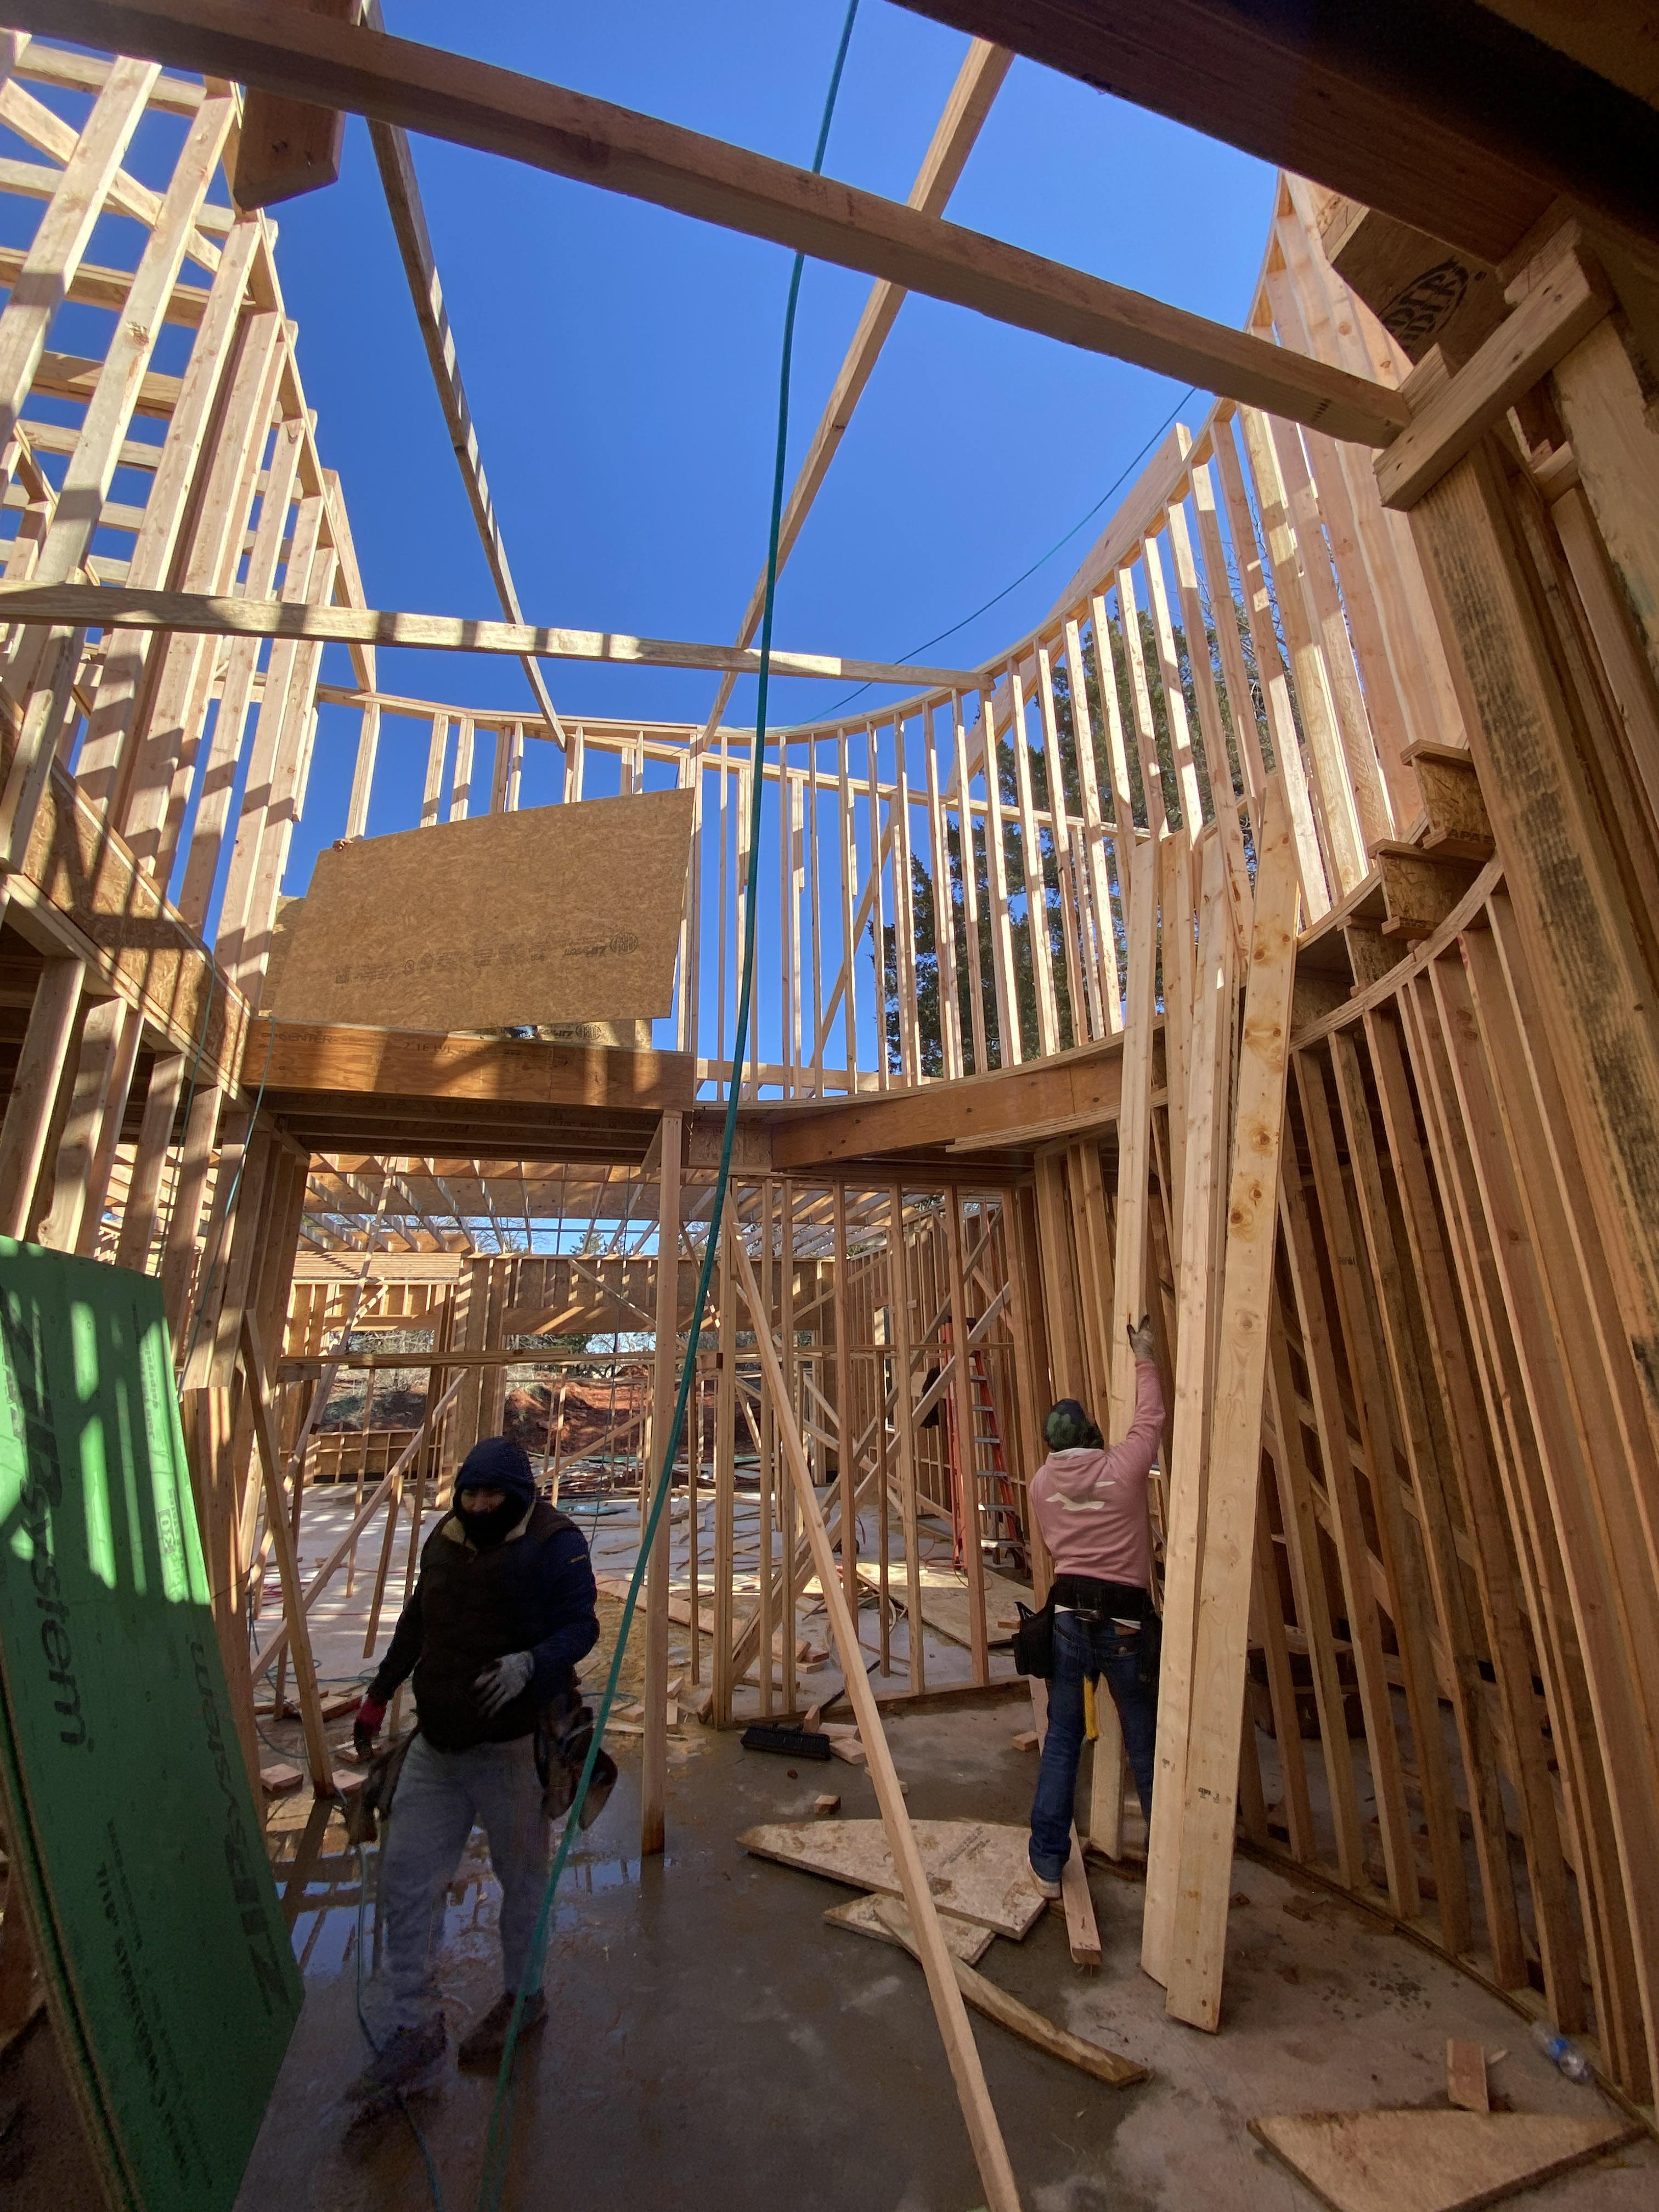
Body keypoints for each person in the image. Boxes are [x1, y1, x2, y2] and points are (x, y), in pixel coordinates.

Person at [350, 1435, 599, 2098]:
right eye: (471, 1493)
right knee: (406, 1881)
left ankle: (525, 1995)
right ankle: (413, 2025)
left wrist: (532, 1664)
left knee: (523, 1881)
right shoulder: (446, 1539)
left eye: (493, 1495)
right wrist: (379, 1693)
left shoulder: (554, 1544)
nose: (481, 1505)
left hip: (513, 1748)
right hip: (438, 1745)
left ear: (518, 1496)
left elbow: (582, 1628)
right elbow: (417, 1620)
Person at [1026, 1316, 1165, 1898]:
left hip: (1069, 1623)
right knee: (1144, 1740)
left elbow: (1053, 1544)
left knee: (1064, 1740)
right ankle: (1168, 1859)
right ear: (1089, 1434)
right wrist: (1144, 1356)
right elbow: (1150, 1421)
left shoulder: (1041, 1486)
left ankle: (1046, 1864)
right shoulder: (1122, 1471)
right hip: (1126, 1624)